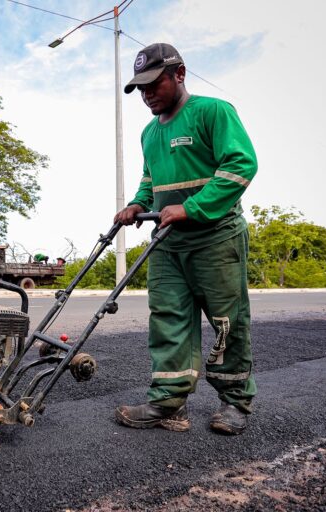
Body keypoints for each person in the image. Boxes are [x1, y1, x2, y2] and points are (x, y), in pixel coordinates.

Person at [114, 43, 257, 435]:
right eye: (139, 88)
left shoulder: (213, 112)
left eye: (153, 84)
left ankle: (235, 403)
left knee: (228, 322)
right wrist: (136, 205)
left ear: (179, 74)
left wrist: (192, 207)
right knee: (168, 320)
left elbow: (241, 164)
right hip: (168, 242)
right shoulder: (149, 133)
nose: (146, 95)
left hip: (216, 238)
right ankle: (167, 402)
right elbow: (150, 181)